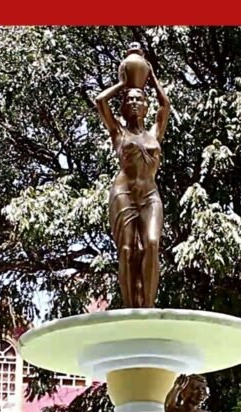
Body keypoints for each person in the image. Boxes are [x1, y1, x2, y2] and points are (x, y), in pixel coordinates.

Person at [94, 49, 171, 309]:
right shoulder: (118, 132)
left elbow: (166, 106)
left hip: (150, 195)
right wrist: (124, 84)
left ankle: (147, 308)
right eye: (130, 100)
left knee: (151, 244)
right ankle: (129, 307)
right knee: (127, 251)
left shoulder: (154, 133)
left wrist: (152, 78)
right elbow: (100, 101)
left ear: (146, 106)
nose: (135, 103)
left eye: (140, 99)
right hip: (124, 193)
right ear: (124, 107)